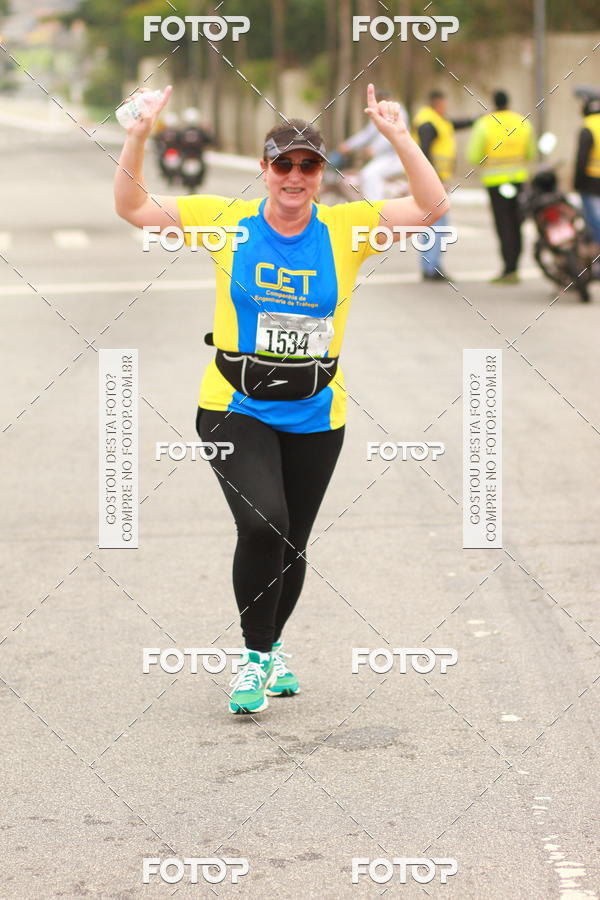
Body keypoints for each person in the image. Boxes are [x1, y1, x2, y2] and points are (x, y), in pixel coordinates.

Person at [114, 83, 448, 715]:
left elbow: (431, 210)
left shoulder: (348, 229)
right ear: (264, 170)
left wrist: (399, 136)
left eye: (308, 165)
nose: (295, 176)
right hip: (233, 405)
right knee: (263, 521)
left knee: (292, 539)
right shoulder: (226, 222)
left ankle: (272, 647)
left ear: (321, 175)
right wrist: (138, 133)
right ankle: (254, 658)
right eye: (283, 164)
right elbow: (133, 208)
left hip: (318, 413)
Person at [467, 90, 536, 284]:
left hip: (495, 183)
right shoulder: (522, 121)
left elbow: (473, 155)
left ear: (494, 103)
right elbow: (531, 152)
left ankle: (508, 268)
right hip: (517, 180)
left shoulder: (484, 124)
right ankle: (515, 266)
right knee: (517, 223)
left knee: (503, 224)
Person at [412, 90, 474, 281]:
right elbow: (425, 151)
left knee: (435, 223)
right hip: (432, 181)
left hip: (433, 179)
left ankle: (431, 266)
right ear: (437, 103)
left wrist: (477, 119)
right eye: (444, 103)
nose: (446, 107)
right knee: (437, 224)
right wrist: (434, 178)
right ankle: (432, 268)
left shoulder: (437, 120)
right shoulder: (428, 122)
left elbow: (454, 124)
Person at [338, 90, 409, 200]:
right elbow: (367, 134)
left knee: (369, 174)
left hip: (397, 157)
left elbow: (393, 134)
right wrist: (348, 145)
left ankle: (376, 209)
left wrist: (374, 149)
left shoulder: (398, 111)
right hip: (383, 157)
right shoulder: (379, 113)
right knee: (361, 174)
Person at [574, 96, 600, 243]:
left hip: (592, 184)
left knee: (595, 222)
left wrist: (577, 184)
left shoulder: (588, 127)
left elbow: (581, 159)